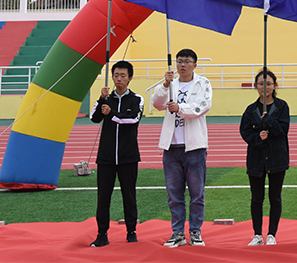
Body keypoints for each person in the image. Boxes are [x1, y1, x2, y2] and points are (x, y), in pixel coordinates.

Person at [149, 48, 212, 248]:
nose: (182, 65)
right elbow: (157, 104)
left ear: (195, 64)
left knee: (197, 193)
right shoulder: (171, 84)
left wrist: (181, 108)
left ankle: (195, 231)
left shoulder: (203, 83)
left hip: (194, 146)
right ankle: (177, 232)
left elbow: (203, 106)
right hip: (172, 146)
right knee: (174, 194)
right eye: (179, 61)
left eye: (186, 61)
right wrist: (164, 85)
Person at [89, 60, 143, 247]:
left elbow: (132, 119)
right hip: (106, 157)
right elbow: (94, 118)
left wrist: (111, 113)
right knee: (103, 197)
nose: (119, 79)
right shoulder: (106, 98)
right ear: (111, 77)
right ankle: (102, 234)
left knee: (129, 195)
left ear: (130, 78)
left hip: (128, 156)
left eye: (123, 75)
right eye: (116, 75)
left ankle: (131, 232)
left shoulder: (136, 99)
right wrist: (101, 100)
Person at [239, 68, 289, 246]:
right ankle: (257, 234)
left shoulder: (282, 107)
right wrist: (257, 138)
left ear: (275, 85)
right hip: (256, 159)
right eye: (261, 83)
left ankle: (271, 234)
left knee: (275, 197)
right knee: (256, 198)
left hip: (277, 158)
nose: (265, 87)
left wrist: (269, 122)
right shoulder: (251, 110)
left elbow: (283, 131)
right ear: (256, 86)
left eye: (268, 84)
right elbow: (244, 132)